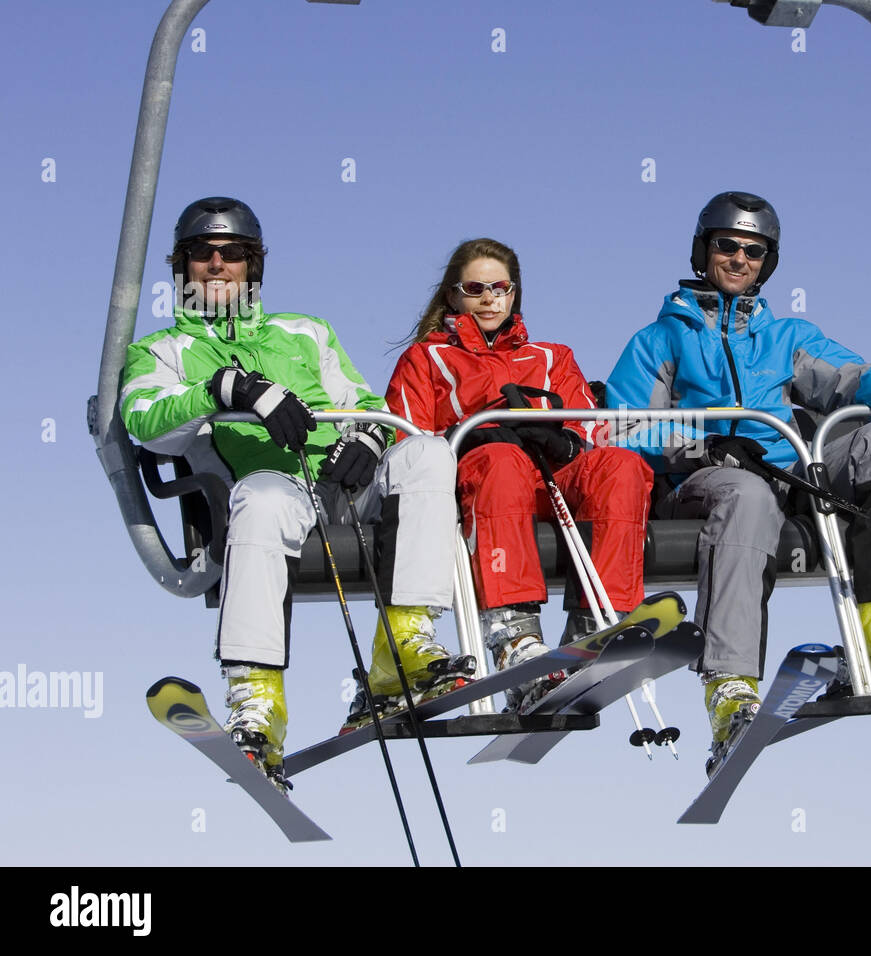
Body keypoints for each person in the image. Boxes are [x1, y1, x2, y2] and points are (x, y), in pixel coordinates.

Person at [604, 191, 871, 772]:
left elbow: (851, 377)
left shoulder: (785, 337)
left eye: (754, 251)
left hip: (784, 470)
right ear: (704, 251)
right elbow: (623, 427)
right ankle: (730, 688)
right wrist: (700, 443)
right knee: (747, 493)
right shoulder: (660, 340)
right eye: (727, 246)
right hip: (701, 483)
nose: (739, 259)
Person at [120, 197, 464, 786]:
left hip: (341, 484)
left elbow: (370, 406)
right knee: (262, 500)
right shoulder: (162, 351)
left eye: (234, 254)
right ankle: (257, 705)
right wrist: (226, 389)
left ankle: (402, 651)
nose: (219, 265)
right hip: (270, 489)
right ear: (182, 267)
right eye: (204, 254)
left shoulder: (307, 332)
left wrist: (367, 440)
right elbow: (144, 419)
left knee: (429, 453)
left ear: (255, 266)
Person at [387, 238, 654, 712]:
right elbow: (410, 442)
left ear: (514, 294)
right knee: (503, 461)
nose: (489, 299)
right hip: (485, 481)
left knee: (623, 466)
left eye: (500, 287)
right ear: (453, 295)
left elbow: (588, 424)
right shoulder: (426, 359)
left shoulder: (551, 357)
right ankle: (516, 642)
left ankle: (595, 626)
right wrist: (471, 437)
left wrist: (563, 438)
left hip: (553, 478)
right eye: (475, 288)